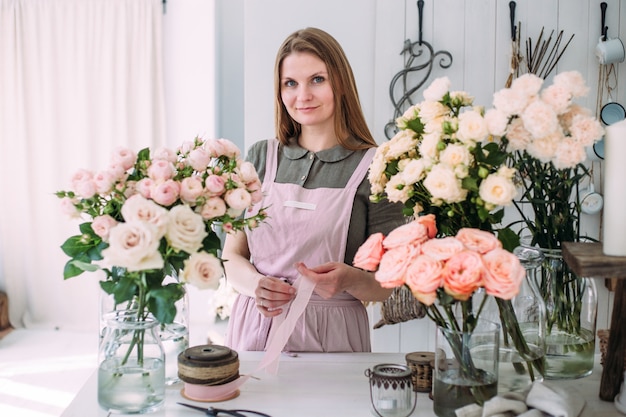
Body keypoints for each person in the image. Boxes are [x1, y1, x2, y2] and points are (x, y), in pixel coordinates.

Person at [223, 27, 404, 353]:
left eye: (317, 80)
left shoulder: (378, 168)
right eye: (290, 83)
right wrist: (256, 285)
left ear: (340, 83)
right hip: (254, 329)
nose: (302, 95)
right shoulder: (260, 157)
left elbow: (385, 285)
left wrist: (348, 279)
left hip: (333, 335)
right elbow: (231, 257)